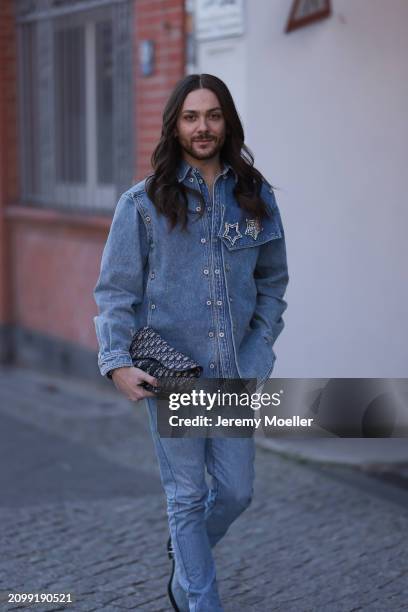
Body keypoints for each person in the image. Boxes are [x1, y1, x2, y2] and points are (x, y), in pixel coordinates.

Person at [93, 73, 289, 612]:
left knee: (234, 493)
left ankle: (185, 558)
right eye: (191, 117)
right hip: (172, 375)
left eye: (213, 115)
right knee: (186, 498)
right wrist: (116, 362)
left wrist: (260, 348)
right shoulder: (142, 203)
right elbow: (115, 291)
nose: (203, 127)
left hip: (234, 371)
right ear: (175, 125)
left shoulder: (256, 194)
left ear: (227, 122)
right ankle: (200, 602)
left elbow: (273, 281)